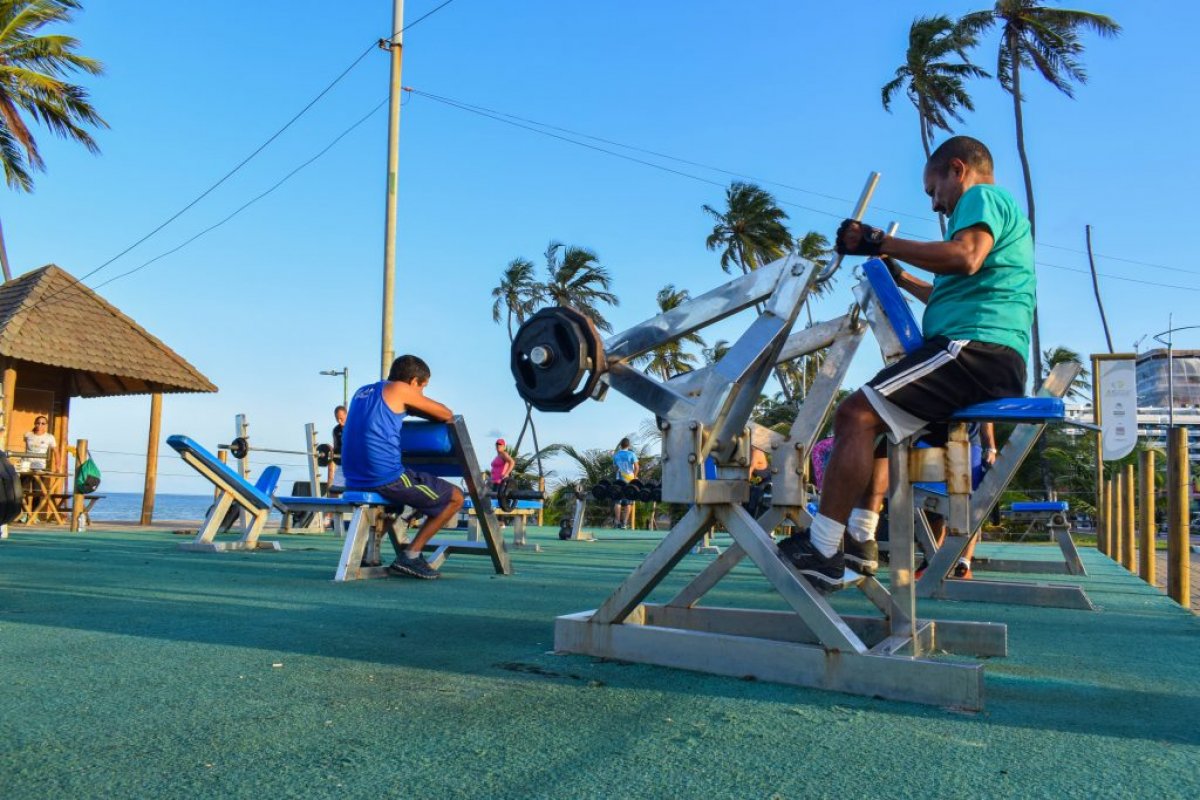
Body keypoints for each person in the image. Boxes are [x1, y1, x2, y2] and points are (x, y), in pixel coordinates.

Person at [778, 135, 1034, 587]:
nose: (936, 204)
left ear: (958, 169)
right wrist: (898, 273)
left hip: (975, 349)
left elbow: (966, 258)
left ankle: (821, 548)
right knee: (880, 429)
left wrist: (881, 241)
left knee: (855, 414)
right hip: (982, 350)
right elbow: (947, 289)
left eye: (934, 190)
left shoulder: (982, 196)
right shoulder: (987, 219)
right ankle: (858, 541)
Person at [340, 355, 464, 580]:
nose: (421, 394)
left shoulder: (362, 392)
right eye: (422, 388)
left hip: (354, 478)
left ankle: (371, 554)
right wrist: (418, 406)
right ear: (413, 381)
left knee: (397, 503)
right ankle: (411, 555)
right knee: (455, 497)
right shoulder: (400, 389)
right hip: (385, 477)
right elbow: (446, 413)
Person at [612, 437, 639, 530]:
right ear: (628, 445)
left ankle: (617, 522)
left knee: (617, 501)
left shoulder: (616, 455)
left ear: (621, 445)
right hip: (629, 480)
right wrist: (635, 477)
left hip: (619, 479)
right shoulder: (631, 454)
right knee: (628, 502)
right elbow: (637, 467)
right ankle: (624, 523)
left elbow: (614, 468)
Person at [327, 405, 347, 491]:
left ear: (347, 415)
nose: (339, 421)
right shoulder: (336, 430)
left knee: (354, 488)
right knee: (334, 489)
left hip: (356, 465)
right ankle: (331, 504)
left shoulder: (355, 427)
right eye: (337, 419)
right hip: (342, 464)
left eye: (341, 418)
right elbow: (335, 448)